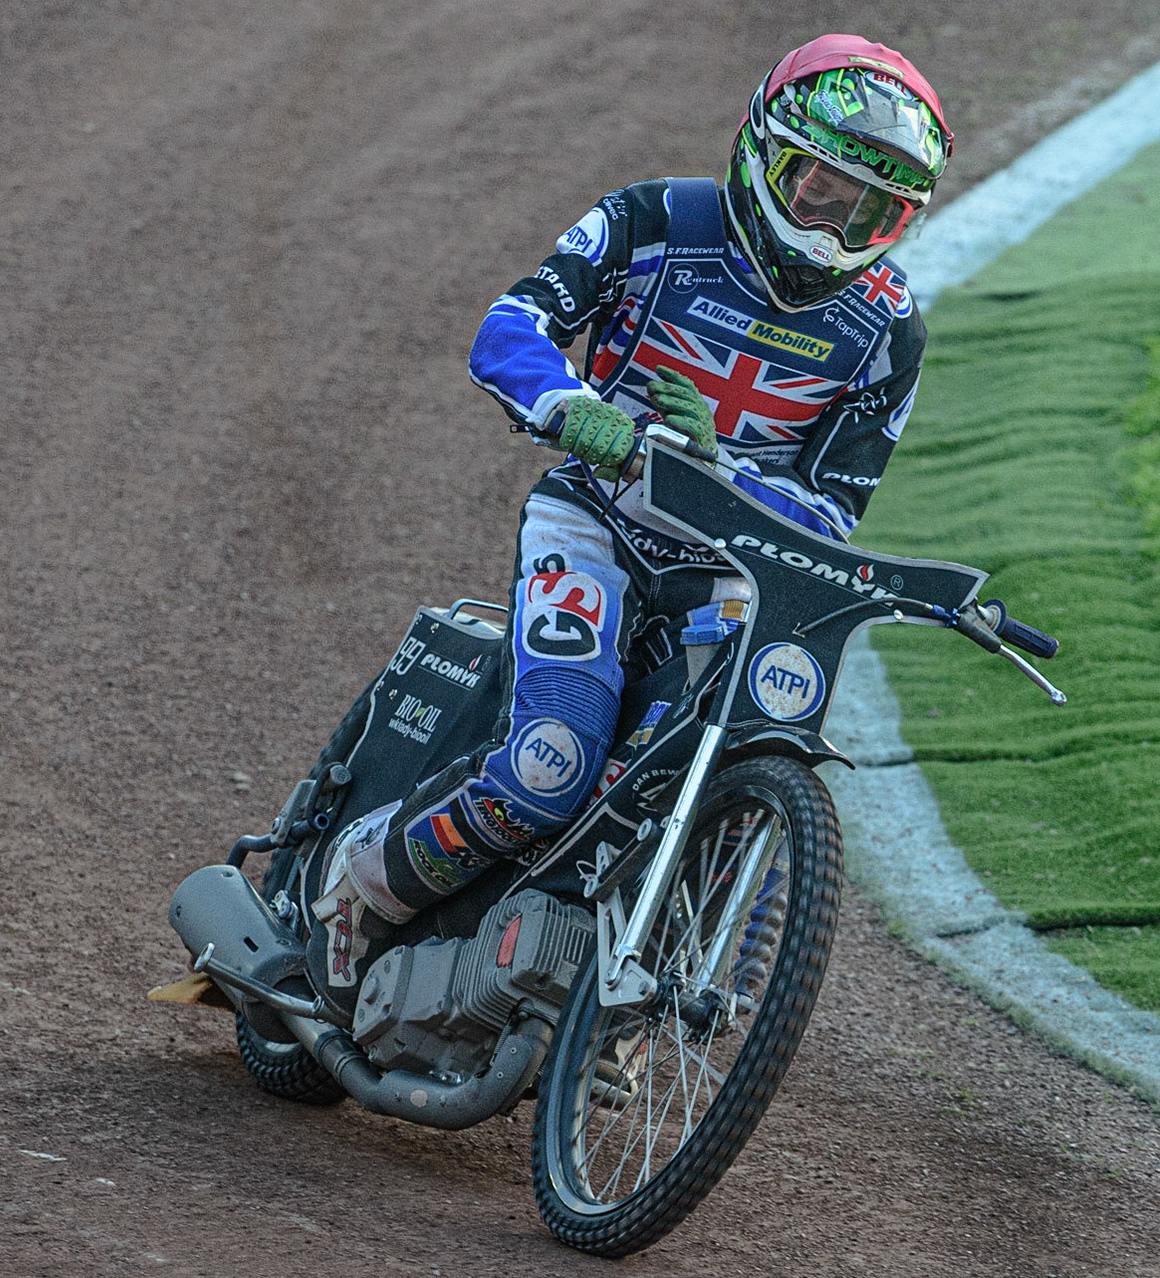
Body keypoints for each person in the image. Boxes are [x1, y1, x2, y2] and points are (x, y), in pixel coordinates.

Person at [317, 34, 952, 990]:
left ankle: (611, 990)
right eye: (819, 187)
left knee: (716, 762)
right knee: (551, 765)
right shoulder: (656, 220)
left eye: (872, 211)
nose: (833, 225)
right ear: (762, 151)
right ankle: (362, 890)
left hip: (731, 576)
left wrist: (724, 467)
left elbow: (832, 507)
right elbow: (512, 325)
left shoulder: (888, 330)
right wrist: (585, 412)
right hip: (597, 525)